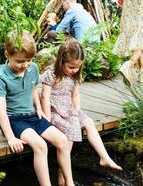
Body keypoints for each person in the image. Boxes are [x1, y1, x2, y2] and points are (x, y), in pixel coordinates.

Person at [0, 31, 75, 186]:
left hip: (32, 115)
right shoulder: (1, 77)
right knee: (40, 145)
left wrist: (38, 107)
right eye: (20, 61)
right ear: (7, 55)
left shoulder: (33, 68)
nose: (25, 65)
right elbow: (1, 111)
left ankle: (69, 183)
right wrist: (11, 137)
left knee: (63, 140)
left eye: (29, 60)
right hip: (14, 120)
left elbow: (32, 89)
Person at [41, 40, 122, 185]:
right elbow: (45, 96)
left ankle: (104, 157)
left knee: (89, 122)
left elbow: (75, 96)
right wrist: (46, 118)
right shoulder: (51, 75)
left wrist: (77, 112)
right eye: (71, 67)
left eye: (78, 67)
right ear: (61, 61)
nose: (75, 70)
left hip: (69, 109)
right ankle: (63, 174)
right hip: (55, 111)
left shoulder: (73, 77)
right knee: (71, 130)